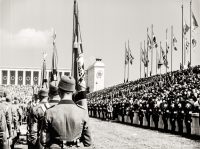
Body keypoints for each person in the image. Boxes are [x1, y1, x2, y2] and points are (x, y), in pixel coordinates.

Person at [40, 76, 92, 148]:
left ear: (59, 91)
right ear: (73, 92)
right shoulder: (82, 112)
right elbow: (88, 142)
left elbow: (43, 140)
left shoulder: (49, 112)